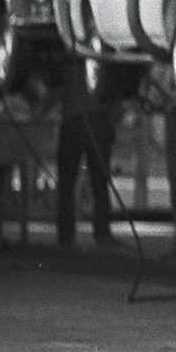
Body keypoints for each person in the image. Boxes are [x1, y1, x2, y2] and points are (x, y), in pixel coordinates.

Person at [54, 61, 116, 248]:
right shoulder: (92, 59)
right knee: (96, 182)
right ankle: (100, 233)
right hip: (90, 119)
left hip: (79, 119)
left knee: (73, 182)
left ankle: (68, 234)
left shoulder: (71, 60)